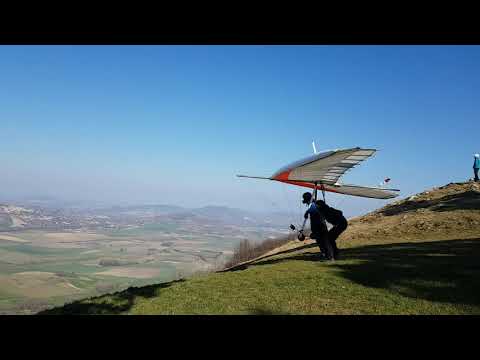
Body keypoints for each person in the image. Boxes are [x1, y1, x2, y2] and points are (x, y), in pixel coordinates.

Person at [302, 192, 334, 260]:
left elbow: (314, 209)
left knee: (324, 241)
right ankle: (325, 255)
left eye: (306, 201)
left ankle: (330, 256)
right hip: (317, 226)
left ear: (308, 200)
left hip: (320, 226)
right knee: (320, 241)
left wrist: (307, 212)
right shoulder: (313, 204)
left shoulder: (314, 204)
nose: (306, 203)